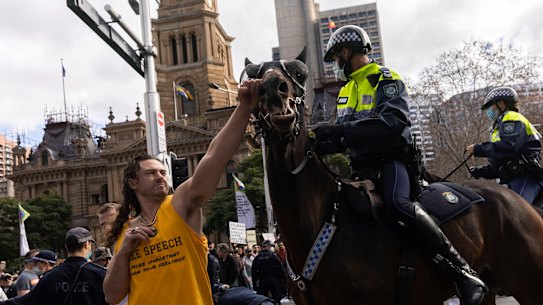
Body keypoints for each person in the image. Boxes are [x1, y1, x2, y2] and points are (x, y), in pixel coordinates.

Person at [313, 24, 486, 305]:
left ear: (345, 52)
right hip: (361, 170)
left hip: (392, 163)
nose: (335, 65)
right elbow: (343, 137)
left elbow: (393, 123)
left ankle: (462, 273)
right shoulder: (345, 92)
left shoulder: (384, 79)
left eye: (334, 58)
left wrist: (340, 131)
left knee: (397, 204)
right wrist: (317, 140)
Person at [103, 79, 260, 305]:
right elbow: (112, 295)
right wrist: (124, 251)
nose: (161, 176)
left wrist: (244, 107)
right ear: (133, 183)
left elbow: (214, 157)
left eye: (162, 172)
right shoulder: (125, 233)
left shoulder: (180, 205)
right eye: (151, 173)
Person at [466, 86, 543, 205]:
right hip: (513, 178)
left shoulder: (511, 117)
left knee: (516, 211)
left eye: (489, 107)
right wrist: (479, 171)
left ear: (501, 104)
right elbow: (501, 163)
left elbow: (509, 147)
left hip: (526, 177)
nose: (488, 111)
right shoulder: (498, 127)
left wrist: (477, 149)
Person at [0, 227, 107, 305]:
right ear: (87, 244)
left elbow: (25, 301)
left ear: (66, 246)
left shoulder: (50, 276)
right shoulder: (100, 274)